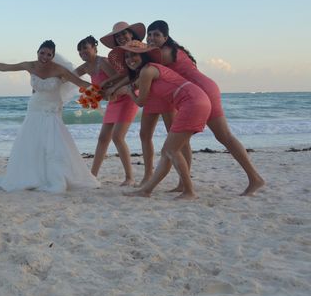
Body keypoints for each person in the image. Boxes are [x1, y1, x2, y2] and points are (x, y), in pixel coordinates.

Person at [146, 20, 265, 196]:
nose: (152, 38)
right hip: (197, 93)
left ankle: (255, 178)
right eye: (149, 34)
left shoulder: (165, 53)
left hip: (202, 92)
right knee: (184, 141)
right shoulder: (169, 50)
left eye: (157, 35)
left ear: (165, 37)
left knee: (224, 137)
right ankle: (182, 184)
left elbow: (144, 65)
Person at [0, 40, 98, 192]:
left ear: (53, 56)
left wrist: (102, 90)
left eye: (49, 54)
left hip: (51, 110)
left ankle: (55, 177)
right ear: (37, 52)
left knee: (54, 146)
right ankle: (31, 176)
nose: (45, 57)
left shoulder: (59, 69)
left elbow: (81, 82)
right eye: (42, 53)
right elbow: (5, 67)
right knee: (32, 143)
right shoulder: (30, 66)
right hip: (34, 109)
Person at [113, 41, 211, 200]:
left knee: (171, 151)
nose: (130, 59)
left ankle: (189, 191)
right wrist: (114, 90)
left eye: (134, 55)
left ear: (143, 55)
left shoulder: (147, 70)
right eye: (127, 56)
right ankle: (147, 190)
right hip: (197, 100)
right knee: (168, 151)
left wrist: (130, 93)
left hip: (192, 102)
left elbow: (141, 102)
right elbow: (131, 86)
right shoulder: (147, 71)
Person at [76, 35, 139, 185]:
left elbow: (122, 77)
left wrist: (105, 85)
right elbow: (69, 75)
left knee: (118, 137)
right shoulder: (85, 66)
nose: (82, 52)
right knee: (103, 138)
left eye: (85, 48)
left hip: (126, 97)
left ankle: (129, 178)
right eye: (79, 50)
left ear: (95, 48)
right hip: (113, 101)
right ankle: (92, 176)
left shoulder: (102, 61)